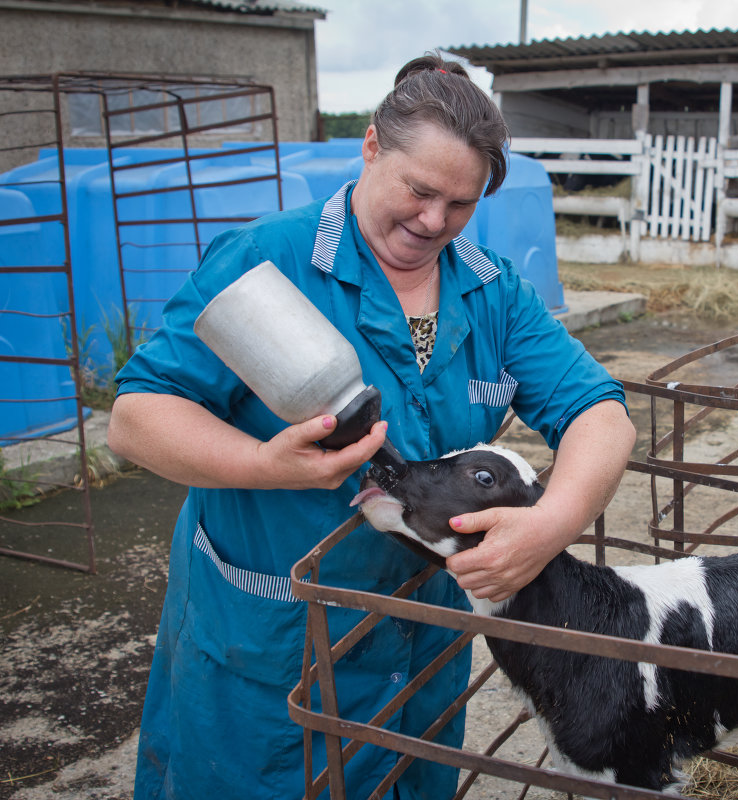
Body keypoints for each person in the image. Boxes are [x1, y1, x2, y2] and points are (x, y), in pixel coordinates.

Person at [107, 52, 635, 800]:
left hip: (421, 640)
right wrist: (266, 465)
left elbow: (598, 411)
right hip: (276, 641)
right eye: (419, 191)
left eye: (461, 205)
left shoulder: (490, 291)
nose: (433, 221)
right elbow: (135, 418)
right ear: (370, 148)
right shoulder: (270, 261)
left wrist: (557, 520)